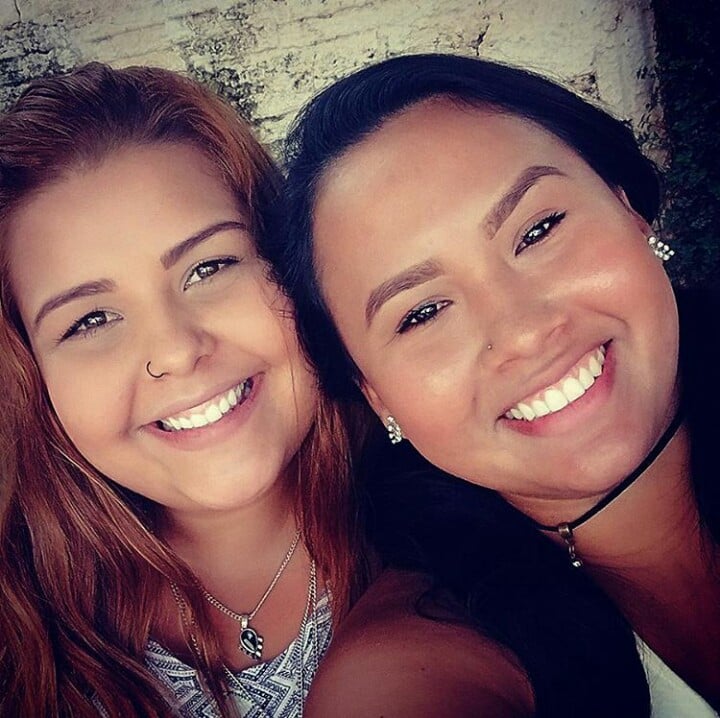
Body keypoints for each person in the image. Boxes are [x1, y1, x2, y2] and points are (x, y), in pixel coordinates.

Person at [266, 53, 720, 717]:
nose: (523, 332)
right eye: (422, 312)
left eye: (538, 231)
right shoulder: (416, 662)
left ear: (631, 212)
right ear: (375, 395)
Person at [0, 63, 367, 718]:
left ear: (287, 263)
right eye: (90, 321)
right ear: (32, 378)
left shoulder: (466, 528)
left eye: (209, 267)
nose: (175, 350)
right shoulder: (21, 640)